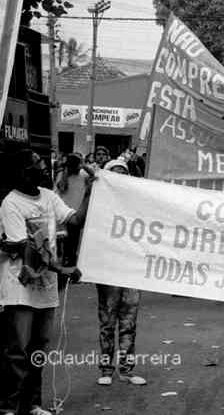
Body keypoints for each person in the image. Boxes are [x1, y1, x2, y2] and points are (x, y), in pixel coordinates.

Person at [0, 149, 89, 415]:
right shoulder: (10, 203)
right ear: (22, 171)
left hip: (47, 288)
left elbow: (75, 219)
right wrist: (63, 268)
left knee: (38, 349)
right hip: (20, 288)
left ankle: (33, 403)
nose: (43, 168)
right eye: (36, 164)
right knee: (17, 352)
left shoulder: (49, 197)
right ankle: (10, 407)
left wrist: (91, 194)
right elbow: (27, 248)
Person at [95, 159, 147, 386]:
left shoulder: (136, 205)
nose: (119, 177)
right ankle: (106, 369)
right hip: (108, 270)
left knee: (129, 322)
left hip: (131, 269)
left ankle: (126, 369)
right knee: (108, 322)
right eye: (114, 174)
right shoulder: (100, 206)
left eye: (123, 174)